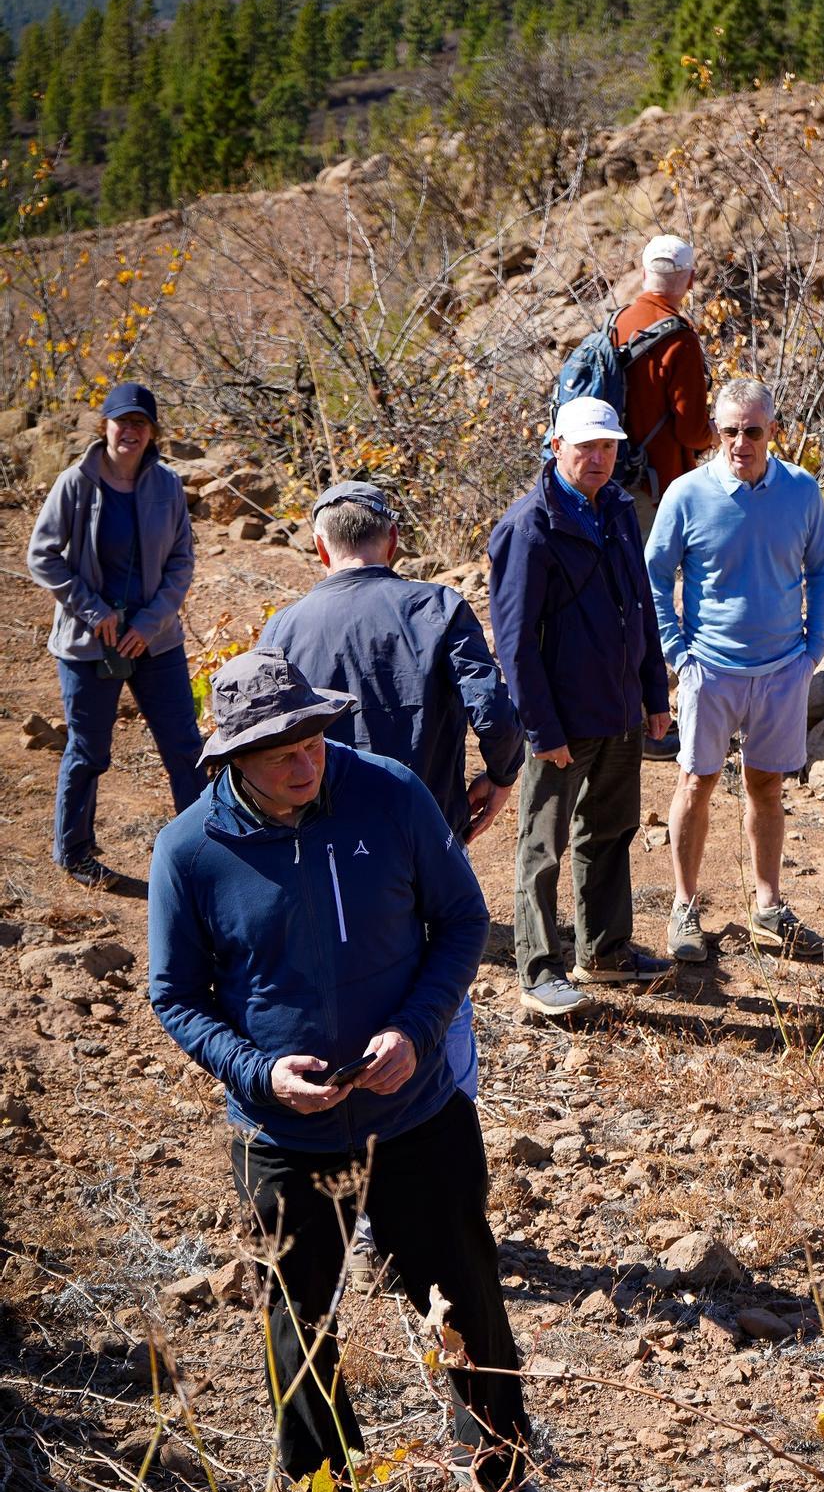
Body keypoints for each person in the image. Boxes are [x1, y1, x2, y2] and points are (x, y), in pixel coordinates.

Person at [148, 648, 554, 1492]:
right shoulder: (188, 852)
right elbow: (174, 995)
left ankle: (509, 1482)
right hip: (283, 1134)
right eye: (281, 750)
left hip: (417, 1114)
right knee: (299, 1320)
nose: (307, 760)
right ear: (231, 760)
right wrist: (256, 1073)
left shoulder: (391, 793)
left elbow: (460, 920)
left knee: (467, 1302)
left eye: (314, 737)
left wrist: (416, 1029)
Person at [256, 478, 524, 1101]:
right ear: (394, 542)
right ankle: (450, 1114)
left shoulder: (284, 629)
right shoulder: (437, 607)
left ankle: (342, 1110)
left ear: (321, 550)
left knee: (344, 971)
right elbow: (495, 713)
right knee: (440, 974)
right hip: (425, 833)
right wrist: (502, 776)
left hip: (316, 842)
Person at [489, 395, 672, 1018]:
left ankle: (605, 951)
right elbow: (514, 643)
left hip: (619, 710)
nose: (598, 458)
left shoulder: (617, 508)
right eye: (586, 446)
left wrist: (654, 695)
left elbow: (640, 607)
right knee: (542, 846)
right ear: (556, 446)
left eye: (608, 446)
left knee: (610, 831)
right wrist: (541, 727)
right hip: (561, 721)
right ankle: (539, 969)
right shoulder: (528, 526)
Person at [644, 377, 824, 964]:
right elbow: (654, 575)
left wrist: (815, 646)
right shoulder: (686, 494)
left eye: (753, 430)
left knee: (766, 788)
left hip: (782, 670)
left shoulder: (802, 491)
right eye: (729, 431)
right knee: (694, 784)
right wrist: (677, 653)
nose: (739, 442)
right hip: (711, 669)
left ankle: (768, 906)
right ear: (716, 433)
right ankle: (684, 905)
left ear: (773, 431)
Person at [26, 380, 204, 888]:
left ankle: (202, 849)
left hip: (155, 641)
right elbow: (42, 556)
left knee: (183, 745)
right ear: (104, 425)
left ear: (151, 433)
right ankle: (75, 851)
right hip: (89, 643)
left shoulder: (167, 484)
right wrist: (90, 609)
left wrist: (149, 625)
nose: (130, 430)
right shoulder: (75, 483)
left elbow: (181, 562)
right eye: (122, 421)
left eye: (140, 423)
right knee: (89, 749)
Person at [615, 235, 714, 546]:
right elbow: (691, 431)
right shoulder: (680, 339)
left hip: (610, 475)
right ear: (691, 280)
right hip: (656, 486)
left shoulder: (617, 323)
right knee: (650, 582)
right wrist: (715, 434)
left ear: (644, 275)